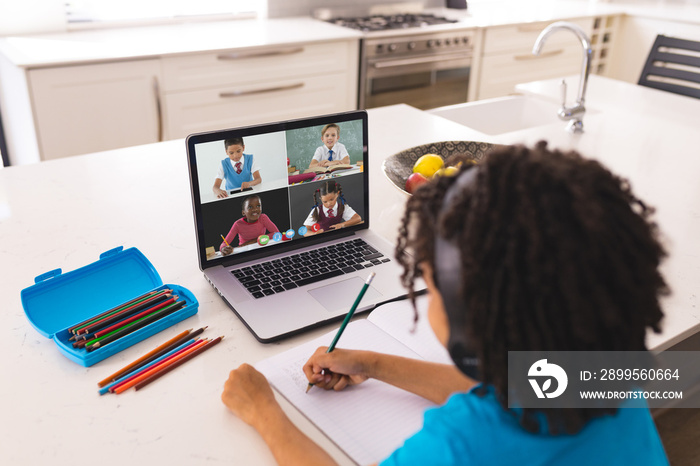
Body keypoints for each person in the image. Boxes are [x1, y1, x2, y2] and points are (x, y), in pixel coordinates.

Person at [221, 142, 670, 465]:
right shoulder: (601, 372)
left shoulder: (463, 444)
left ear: (470, 316)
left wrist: (263, 410)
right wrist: (374, 364)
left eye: (428, 286)